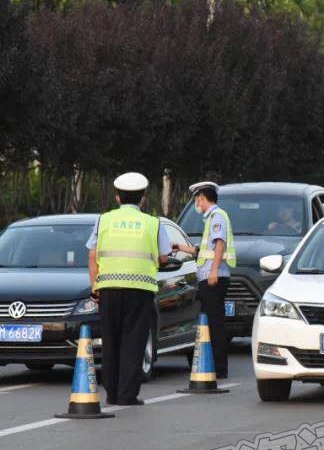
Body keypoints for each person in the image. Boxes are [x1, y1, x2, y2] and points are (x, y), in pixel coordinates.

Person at [86, 172, 171, 405]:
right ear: (143, 198)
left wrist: (95, 286)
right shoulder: (153, 223)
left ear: (117, 198)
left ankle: (111, 392)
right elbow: (164, 257)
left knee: (110, 340)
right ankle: (127, 394)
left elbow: (92, 255)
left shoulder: (103, 220)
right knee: (133, 341)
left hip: (108, 289)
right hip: (140, 289)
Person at [172, 181, 235, 379]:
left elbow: (220, 245)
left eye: (197, 200)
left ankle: (219, 368)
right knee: (210, 321)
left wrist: (214, 271)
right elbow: (203, 250)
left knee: (215, 323)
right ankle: (214, 364)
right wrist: (180, 247)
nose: (197, 204)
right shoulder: (211, 219)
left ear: (203, 199)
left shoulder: (217, 217)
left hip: (213, 278)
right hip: (209, 277)